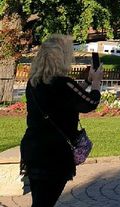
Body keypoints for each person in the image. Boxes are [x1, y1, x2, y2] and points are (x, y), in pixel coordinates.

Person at [20, 34, 103, 207]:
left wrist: (87, 81)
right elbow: (90, 103)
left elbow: (69, 97)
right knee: (45, 202)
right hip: (55, 154)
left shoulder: (34, 83)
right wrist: (96, 83)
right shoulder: (64, 84)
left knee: (40, 201)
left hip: (33, 149)